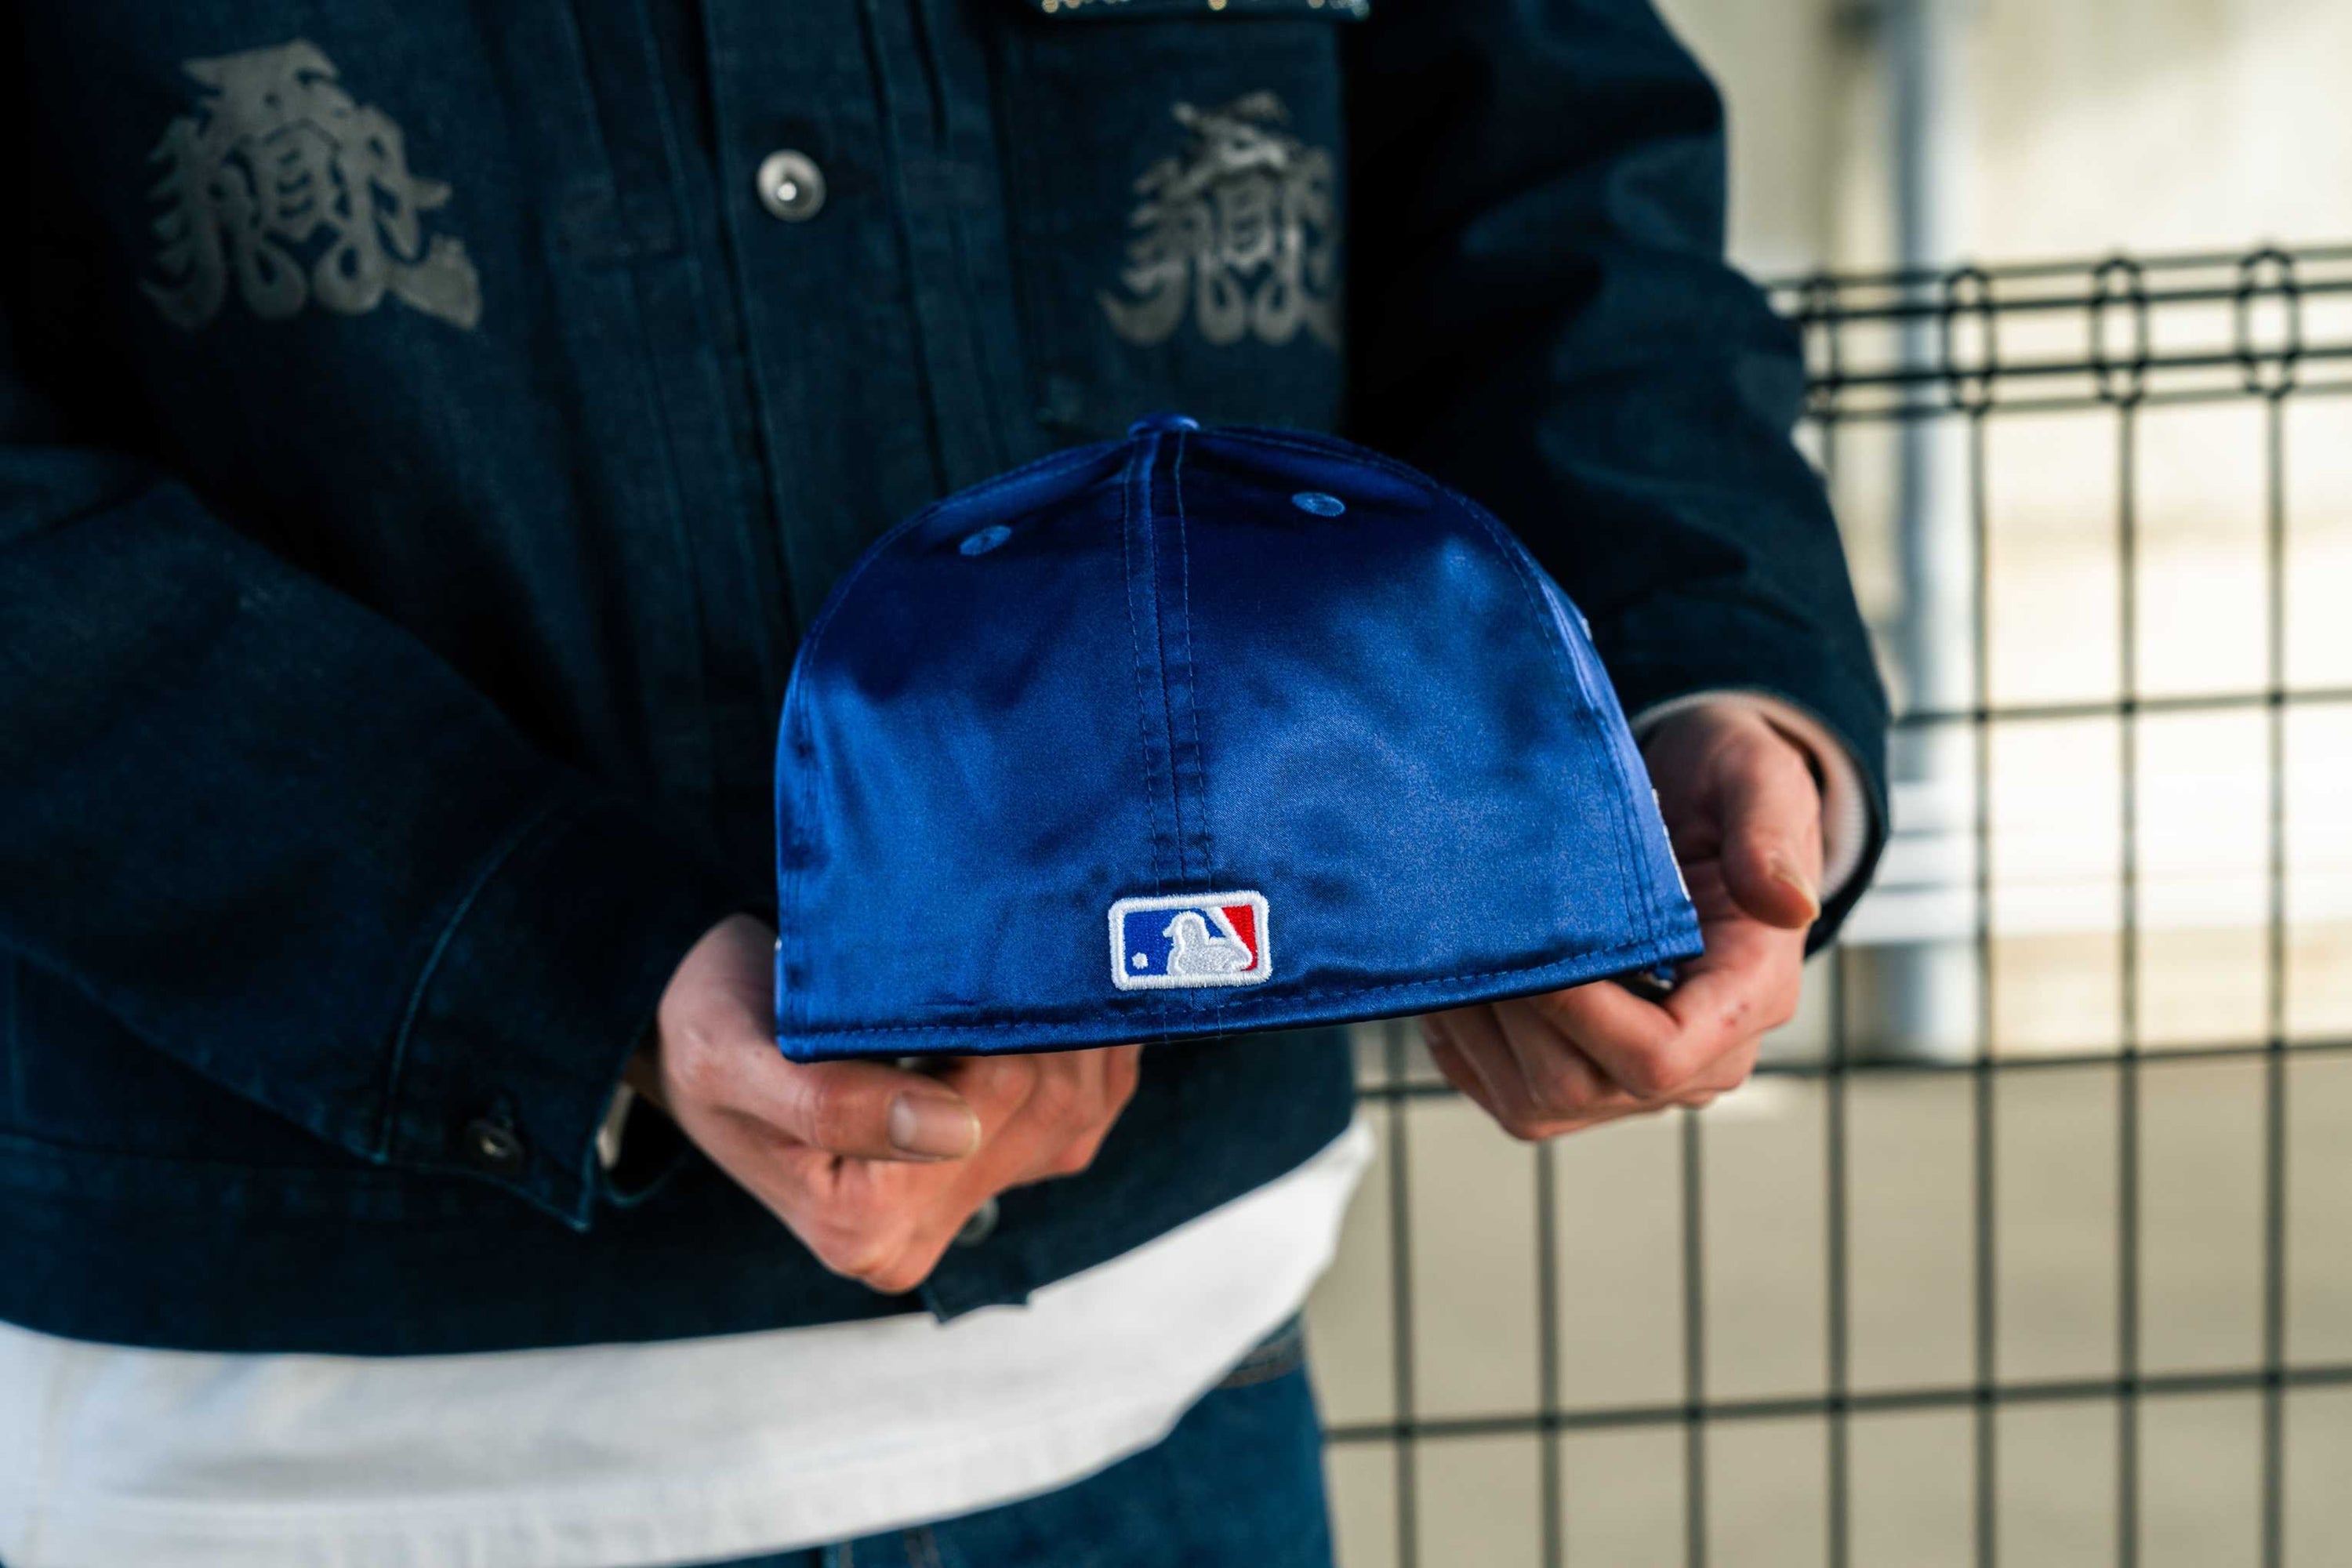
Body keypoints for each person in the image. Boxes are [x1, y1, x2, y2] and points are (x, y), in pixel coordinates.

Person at [0, 0, 1887, 1563]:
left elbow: (1550, 179)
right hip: (325, 1450)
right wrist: (555, 957)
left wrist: (1696, 678)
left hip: (1174, 1360)